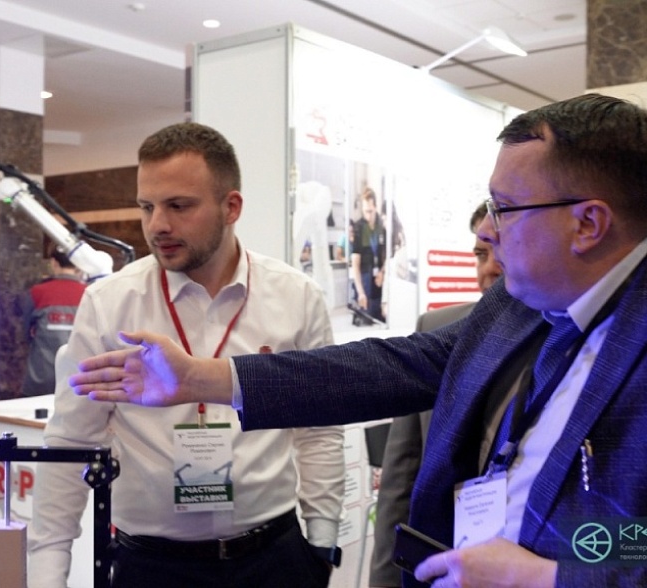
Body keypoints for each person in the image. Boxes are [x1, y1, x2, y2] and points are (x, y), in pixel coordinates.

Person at [69, 94, 647, 587]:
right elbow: (398, 366)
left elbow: (633, 542)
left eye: (506, 208)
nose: (487, 230)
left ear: (588, 224)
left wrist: (553, 578)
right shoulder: (521, 308)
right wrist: (202, 378)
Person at [27, 123, 345, 588]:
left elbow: (318, 428)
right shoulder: (109, 304)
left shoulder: (295, 297)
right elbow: (71, 443)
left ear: (231, 207)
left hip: (274, 559)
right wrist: (46, 575)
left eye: (178, 206)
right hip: (152, 567)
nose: (157, 224)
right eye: (147, 206)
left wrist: (322, 543)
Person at [369, 201, 502, 587]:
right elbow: (400, 480)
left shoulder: (587, 347)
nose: (490, 268)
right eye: (481, 254)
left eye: (502, 248)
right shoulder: (436, 330)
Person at [20, 247, 86, 397]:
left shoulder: (37, 292)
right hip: (78, 381)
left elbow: (25, 333)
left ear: (54, 262)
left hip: (41, 378)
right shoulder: (89, 292)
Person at [351, 187, 386, 321]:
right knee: (367, 321)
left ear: (375, 207)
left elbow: (388, 256)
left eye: (370, 211)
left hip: (380, 283)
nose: (368, 216)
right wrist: (360, 292)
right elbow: (355, 265)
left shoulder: (382, 226)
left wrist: (383, 271)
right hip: (365, 284)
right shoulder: (359, 228)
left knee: (381, 321)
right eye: (365, 211)